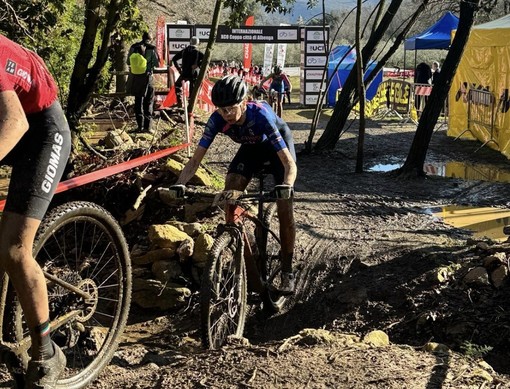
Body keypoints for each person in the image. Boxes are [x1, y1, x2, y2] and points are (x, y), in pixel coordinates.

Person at [172, 76, 298, 294]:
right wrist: (179, 184)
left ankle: (287, 271)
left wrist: (287, 184)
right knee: (230, 190)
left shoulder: (261, 116)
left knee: (285, 206)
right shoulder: (217, 119)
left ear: (244, 102)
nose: (226, 115)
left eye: (230, 109)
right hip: (251, 149)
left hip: (277, 149)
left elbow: (289, 164)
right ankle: (241, 241)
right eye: (221, 110)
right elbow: (195, 161)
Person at [0, 35, 71, 387]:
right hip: (12, 128)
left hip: (42, 132)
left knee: (13, 249)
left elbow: (15, 123)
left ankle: (47, 353)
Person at [127, 31, 159, 132]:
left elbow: (128, 61)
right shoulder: (152, 48)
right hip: (148, 77)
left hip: (136, 78)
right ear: (151, 38)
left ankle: (139, 126)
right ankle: (147, 127)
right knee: (148, 102)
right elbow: (157, 64)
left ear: (142, 37)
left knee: (138, 102)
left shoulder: (134, 47)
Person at [171, 36, 204, 108]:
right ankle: (190, 106)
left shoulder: (184, 51)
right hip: (193, 74)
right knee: (192, 90)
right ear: (197, 43)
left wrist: (179, 69)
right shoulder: (198, 52)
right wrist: (197, 65)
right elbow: (205, 60)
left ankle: (180, 103)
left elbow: (174, 59)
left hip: (184, 73)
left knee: (177, 85)